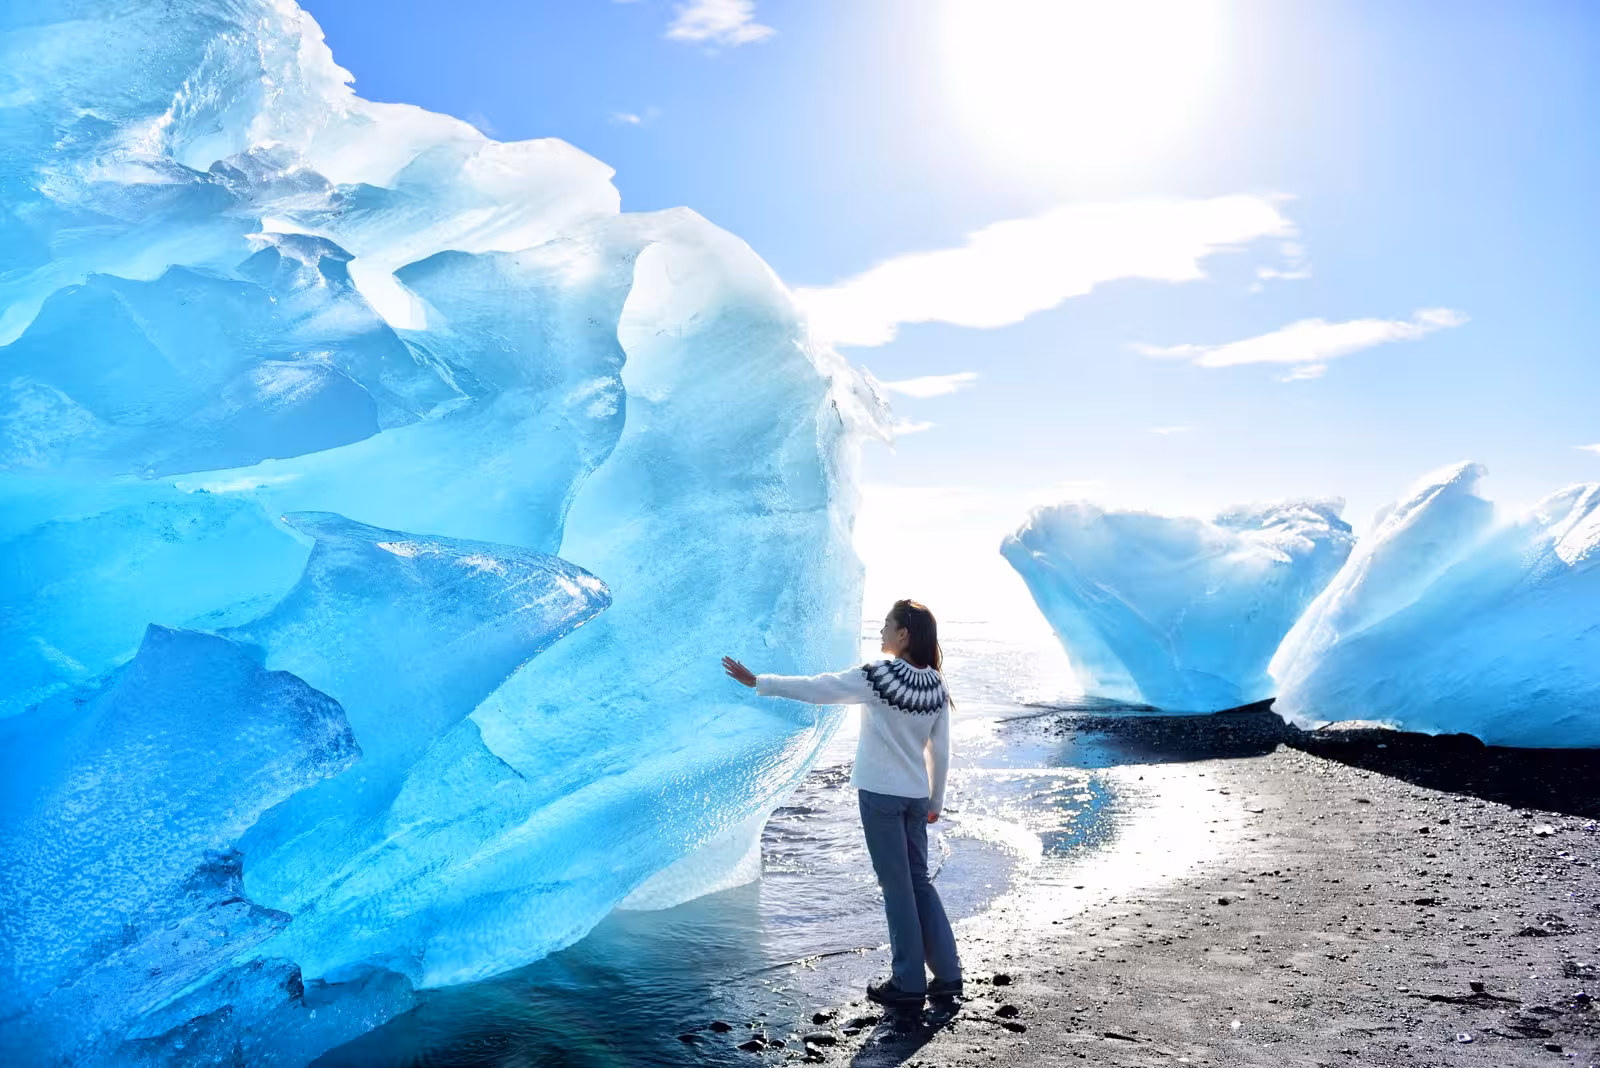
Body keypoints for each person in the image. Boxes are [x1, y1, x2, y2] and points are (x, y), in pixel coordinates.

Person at [722, 599, 962, 1008]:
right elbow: (941, 750)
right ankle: (948, 974)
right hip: (915, 797)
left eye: (888, 624)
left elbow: (820, 688)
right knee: (918, 881)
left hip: (880, 795)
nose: (881, 631)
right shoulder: (937, 685)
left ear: (903, 634)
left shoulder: (879, 676)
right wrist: (934, 800)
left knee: (897, 888)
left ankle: (907, 981)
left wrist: (760, 682)